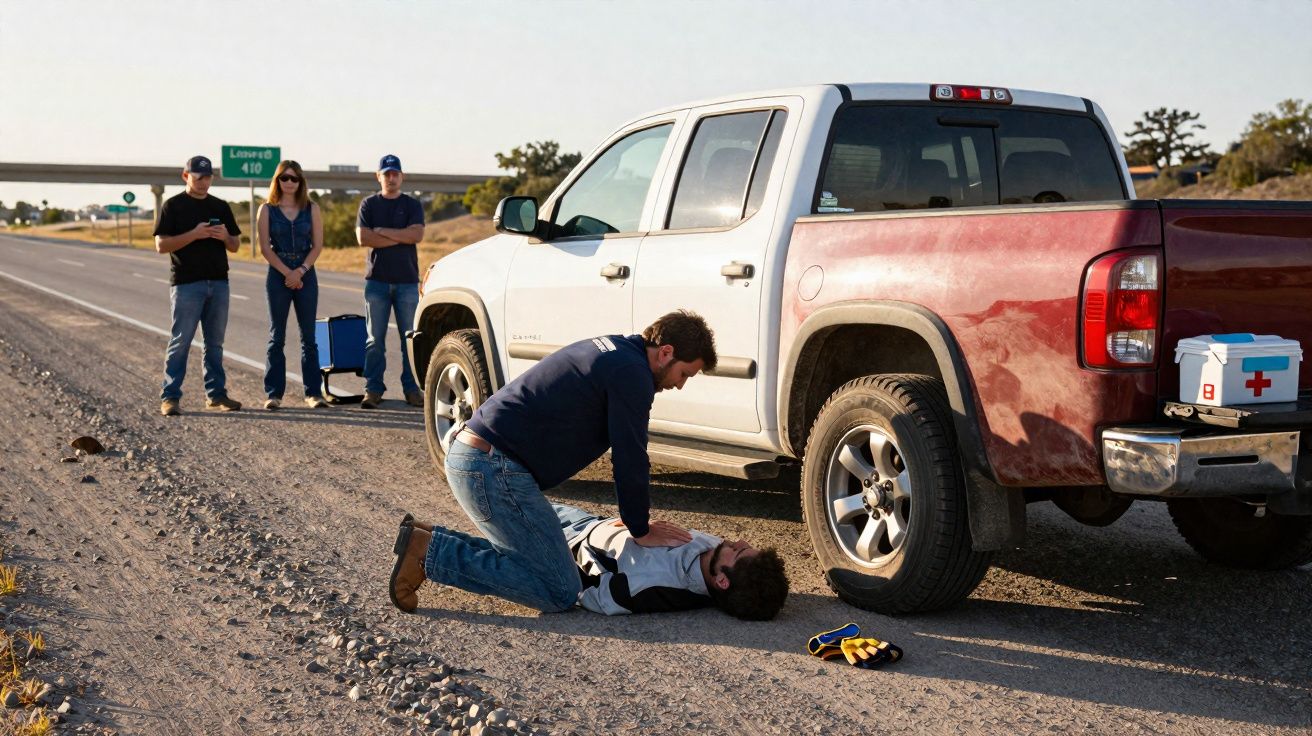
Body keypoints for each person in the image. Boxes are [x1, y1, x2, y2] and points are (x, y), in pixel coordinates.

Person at [388, 310, 718, 614]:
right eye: (684, 373)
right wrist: (640, 528)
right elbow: (631, 455)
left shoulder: (618, 351)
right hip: (491, 469)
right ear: (666, 353)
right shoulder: (634, 375)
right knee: (560, 590)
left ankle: (427, 542)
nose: (679, 384)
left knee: (539, 563)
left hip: (479, 459)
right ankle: (431, 554)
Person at [403, 502, 790, 619]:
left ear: (722, 580)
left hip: (569, 544)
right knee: (529, 572)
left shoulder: (659, 587)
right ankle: (430, 548)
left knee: (553, 592)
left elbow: (602, 599)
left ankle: (428, 543)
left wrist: (575, 578)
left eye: (738, 551)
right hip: (581, 522)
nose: (736, 540)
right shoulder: (713, 554)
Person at [154, 155, 242, 416]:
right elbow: (161, 246)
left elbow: (236, 246)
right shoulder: (173, 206)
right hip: (186, 283)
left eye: (207, 177)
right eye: (198, 177)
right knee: (180, 341)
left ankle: (216, 395)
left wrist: (225, 236)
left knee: (215, 343)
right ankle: (170, 397)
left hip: (218, 282)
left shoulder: (221, 206)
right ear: (186, 176)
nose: (203, 182)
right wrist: (194, 234)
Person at [355, 154, 426, 409]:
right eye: (387, 174)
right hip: (377, 282)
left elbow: (417, 234)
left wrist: (382, 232)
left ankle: (412, 389)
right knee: (375, 340)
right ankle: (373, 389)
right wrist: (401, 236)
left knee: (410, 339)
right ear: (379, 176)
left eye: (395, 173)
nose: (391, 178)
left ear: (401, 176)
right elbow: (363, 238)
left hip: (407, 281)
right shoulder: (369, 204)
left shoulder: (412, 204)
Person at [257, 160, 328, 410]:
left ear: (300, 182)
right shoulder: (267, 209)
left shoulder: (312, 209)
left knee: (309, 336)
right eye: (283, 178)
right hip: (278, 273)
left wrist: (300, 271)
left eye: (293, 178)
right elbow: (265, 248)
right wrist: (288, 273)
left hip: (306, 272)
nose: (289, 183)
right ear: (277, 181)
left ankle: (313, 393)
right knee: (277, 336)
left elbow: (317, 245)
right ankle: (274, 393)